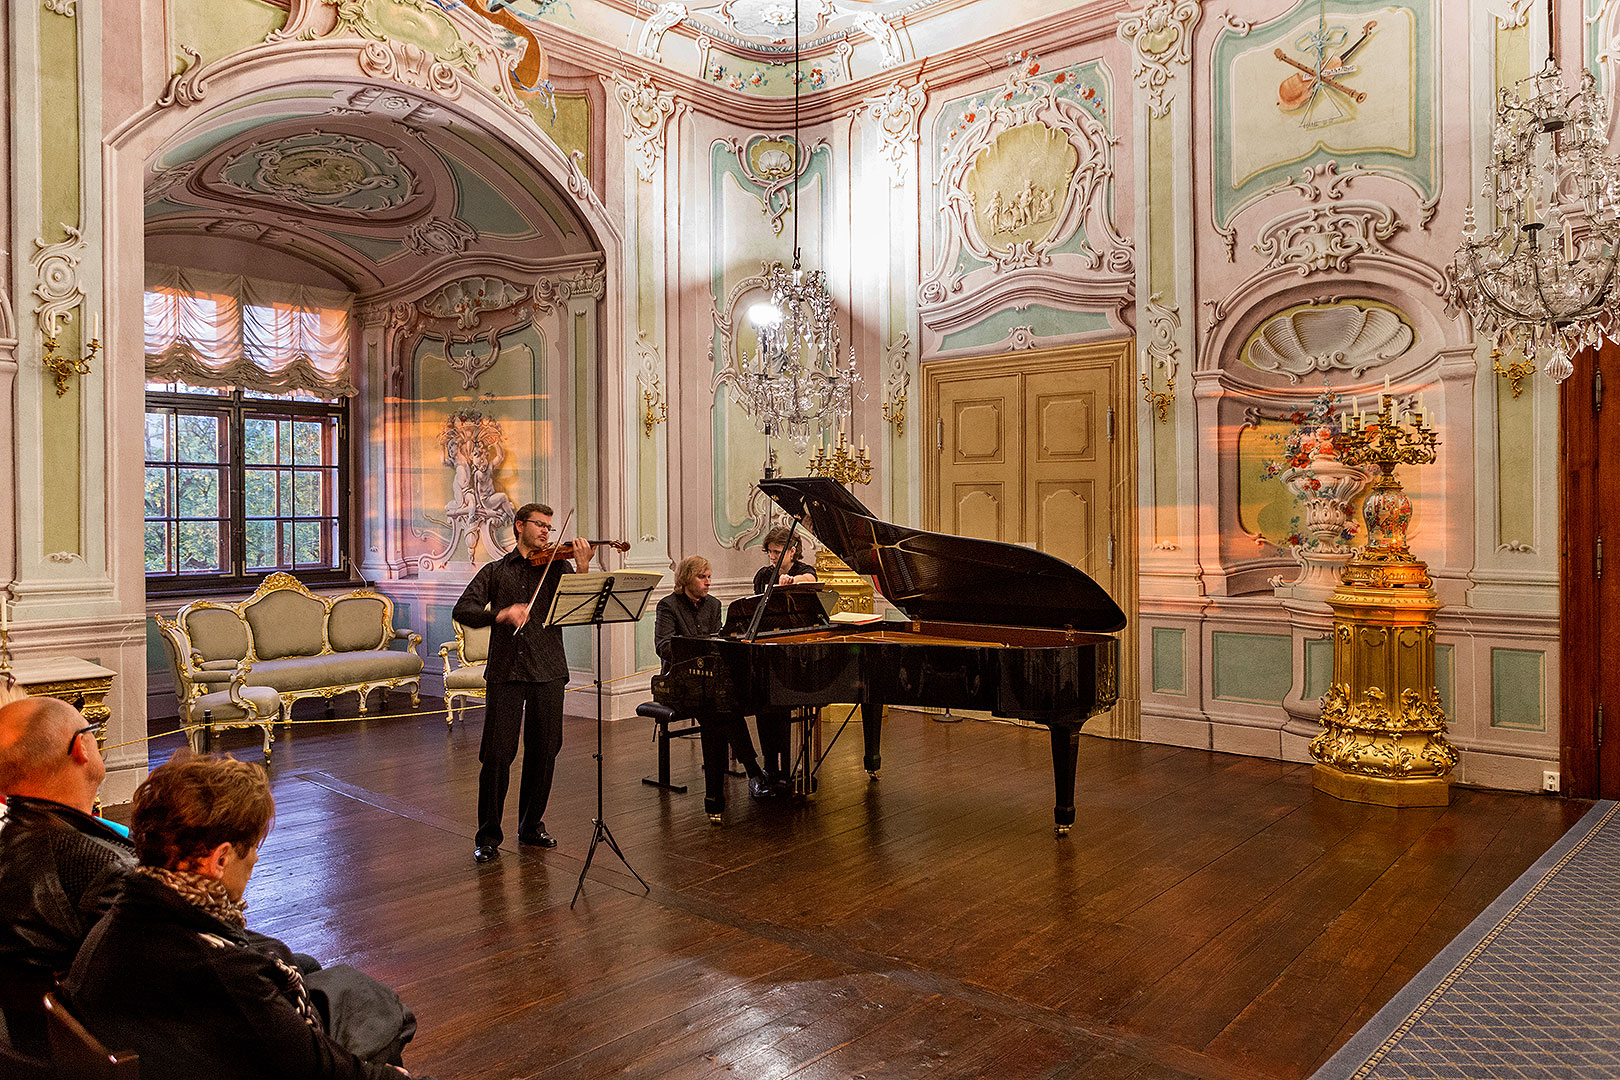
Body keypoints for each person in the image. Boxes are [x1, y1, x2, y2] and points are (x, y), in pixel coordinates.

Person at [0, 696, 415, 1065]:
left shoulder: (20, 839)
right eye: (251, 849)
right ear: (82, 747)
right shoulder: (98, 869)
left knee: (310, 968)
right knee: (377, 1005)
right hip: (164, 1031)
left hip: (71, 1030)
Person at [62, 751, 435, 1080]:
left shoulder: (126, 909)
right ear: (220, 859)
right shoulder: (219, 968)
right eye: (252, 848)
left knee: (322, 972)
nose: (255, 859)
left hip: (182, 1048)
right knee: (385, 1009)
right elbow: (317, 1068)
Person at [453, 501, 592, 864]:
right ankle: (487, 836)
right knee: (497, 755)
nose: (547, 531)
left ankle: (531, 825)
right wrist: (502, 612)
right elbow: (463, 609)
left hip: (548, 668)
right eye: (539, 524)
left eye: (550, 525)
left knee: (545, 751)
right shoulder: (496, 571)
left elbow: (582, 605)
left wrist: (583, 566)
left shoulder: (559, 567)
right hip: (507, 672)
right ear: (519, 526)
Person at [653, 556, 770, 816]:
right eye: (702, 577)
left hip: (709, 682)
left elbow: (719, 639)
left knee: (721, 704)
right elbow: (663, 646)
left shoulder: (714, 605)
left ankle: (720, 794)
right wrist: (696, 650)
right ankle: (753, 772)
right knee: (719, 707)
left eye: (709, 576)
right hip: (678, 681)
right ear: (685, 579)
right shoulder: (668, 606)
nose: (708, 582)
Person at [749, 527, 819, 783]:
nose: (772, 557)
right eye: (769, 552)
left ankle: (786, 766)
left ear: (792, 551)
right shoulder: (764, 575)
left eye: (777, 552)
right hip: (769, 646)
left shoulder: (803, 571)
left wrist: (791, 581)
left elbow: (810, 580)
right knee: (766, 705)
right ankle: (771, 764)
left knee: (781, 705)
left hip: (797, 650)